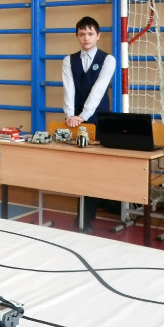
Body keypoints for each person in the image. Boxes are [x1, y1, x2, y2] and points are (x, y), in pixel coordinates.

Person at [61, 15, 116, 231]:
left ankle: (92, 212)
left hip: (98, 120)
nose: (86, 38)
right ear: (77, 36)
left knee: (96, 167)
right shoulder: (68, 60)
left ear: (98, 36)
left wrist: (83, 115)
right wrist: (70, 115)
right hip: (76, 121)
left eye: (90, 34)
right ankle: (83, 216)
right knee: (81, 168)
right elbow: (69, 89)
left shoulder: (108, 60)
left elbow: (98, 90)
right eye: (82, 34)